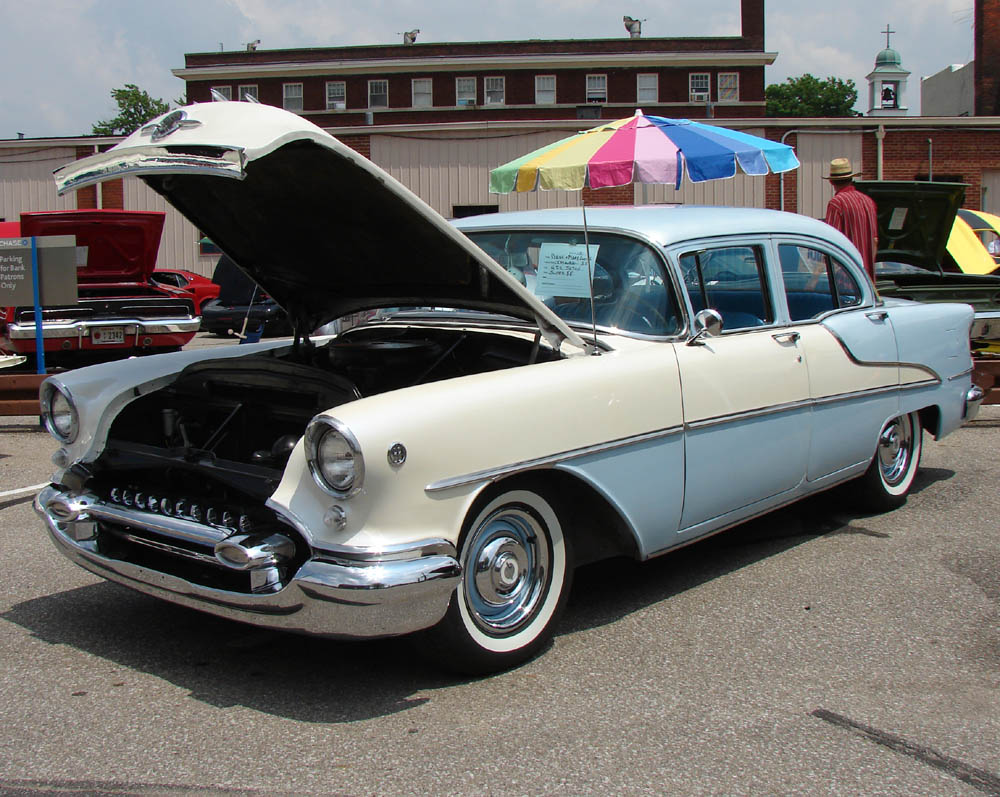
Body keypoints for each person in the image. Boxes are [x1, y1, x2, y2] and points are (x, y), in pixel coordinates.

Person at [823, 157, 879, 280]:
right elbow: (875, 241)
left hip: (846, 279)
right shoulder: (868, 201)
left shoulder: (836, 203)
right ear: (851, 178)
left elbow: (831, 243)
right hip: (867, 279)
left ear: (831, 181)